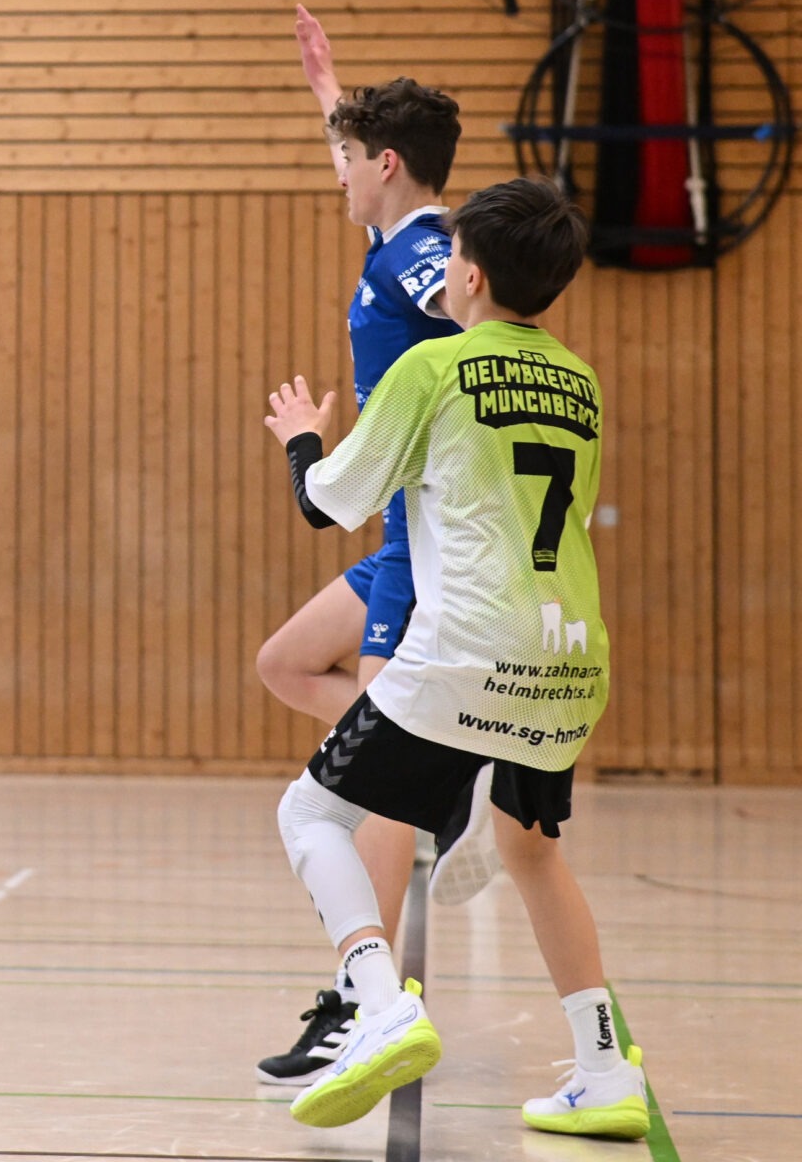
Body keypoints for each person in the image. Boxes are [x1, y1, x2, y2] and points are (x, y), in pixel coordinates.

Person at [262, 177, 649, 1138]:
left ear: (468, 274)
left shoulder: (432, 367)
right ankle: (605, 1070)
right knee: (531, 849)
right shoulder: (580, 380)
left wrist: (303, 441)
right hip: (570, 660)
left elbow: (328, 503)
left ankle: (379, 1003)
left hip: (467, 652)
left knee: (310, 811)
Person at [250, 8, 464, 1087]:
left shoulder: (426, 252)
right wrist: (326, 85)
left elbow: (475, 311)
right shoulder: (395, 232)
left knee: (374, 783)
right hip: (394, 538)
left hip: (426, 542)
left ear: (384, 166)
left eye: (348, 155)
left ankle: (362, 1005)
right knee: (286, 663)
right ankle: (446, 771)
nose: (334, 171)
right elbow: (370, 167)